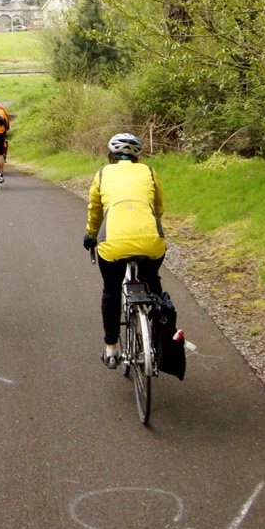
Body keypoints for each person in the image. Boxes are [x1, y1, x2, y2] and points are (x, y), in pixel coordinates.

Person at [83, 132, 166, 368]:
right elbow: (158, 206)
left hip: (113, 245)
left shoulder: (102, 173)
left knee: (111, 289)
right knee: (152, 279)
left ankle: (111, 349)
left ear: (111, 154)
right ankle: (157, 332)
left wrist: (91, 235)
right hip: (151, 241)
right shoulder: (148, 172)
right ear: (137, 155)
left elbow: (95, 211)